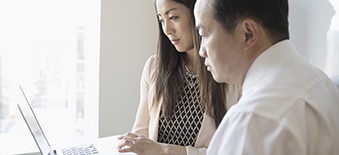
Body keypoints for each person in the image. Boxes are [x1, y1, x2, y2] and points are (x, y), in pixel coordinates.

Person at [194, 0, 339, 154]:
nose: (201, 51)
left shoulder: (251, 121)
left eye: (204, 34)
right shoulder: (322, 82)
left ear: (247, 33)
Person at [117, 0, 242, 155]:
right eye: (161, 20)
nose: (167, 29)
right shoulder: (154, 67)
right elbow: (140, 136)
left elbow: (235, 150)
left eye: (173, 17)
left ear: (199, 13)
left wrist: (165, 150)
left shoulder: (234, 75)